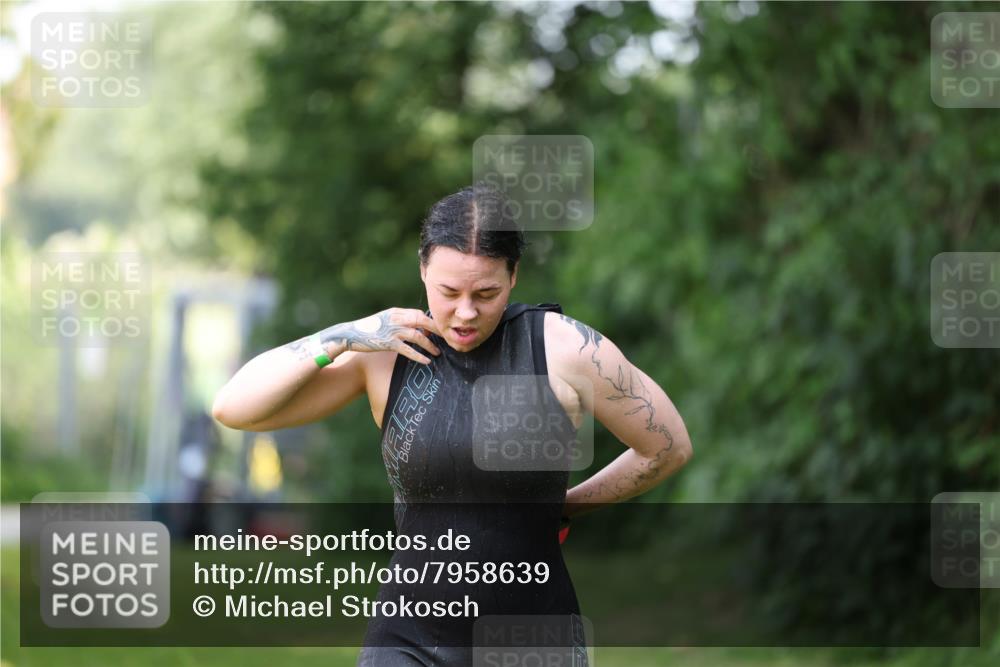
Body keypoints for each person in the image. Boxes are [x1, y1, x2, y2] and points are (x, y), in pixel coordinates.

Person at [212, 183, 693, 666]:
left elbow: (667, 447)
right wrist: (342, 337)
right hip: (406, 638)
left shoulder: (565, 350)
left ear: (513, 275)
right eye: (448, 292)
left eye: (486, 293)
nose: (465, 312)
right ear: (423, 270)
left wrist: (567, 505)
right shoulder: (386, 354)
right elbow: (235, 407)